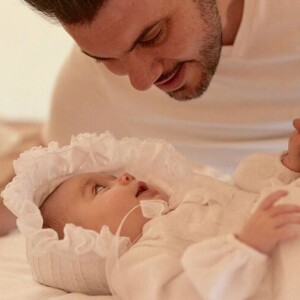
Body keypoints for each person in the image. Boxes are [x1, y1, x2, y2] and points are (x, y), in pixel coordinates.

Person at [2, 119, 300, 299]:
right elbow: (188, 292)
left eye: (110, 177)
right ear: (84, 240)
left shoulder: (187, 196)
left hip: (286, 215)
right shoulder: (136, 267)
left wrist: (288, 165)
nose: (124, 176)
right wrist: (246, 247)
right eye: (100, 188)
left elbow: (247, 193)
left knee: (247, 170)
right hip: (284, 268)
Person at [21, 0, 300, 172]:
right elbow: (39, 177)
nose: (141, 81)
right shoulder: (93, 86)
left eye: (153, 35)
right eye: (106, 58)